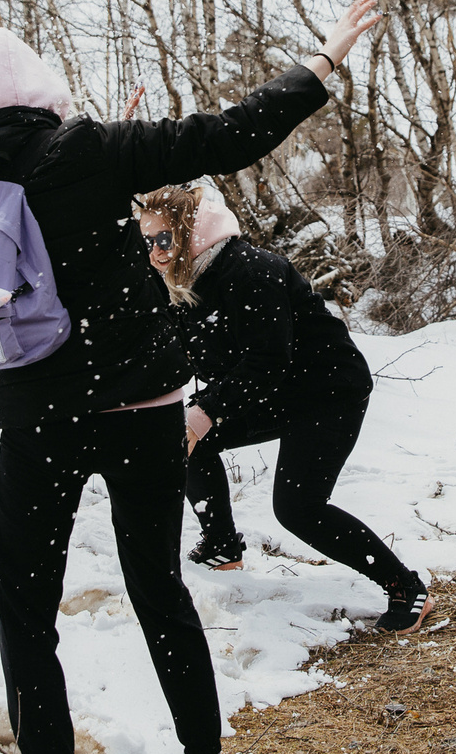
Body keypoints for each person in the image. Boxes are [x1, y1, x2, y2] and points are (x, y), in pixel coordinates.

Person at [0, 0, 381, 754]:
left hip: (41, 417)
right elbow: (231, 134)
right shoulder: (99, 149)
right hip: (145, 407)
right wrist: (324, 62)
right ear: (44, 88)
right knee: (158, 579)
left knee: (26, 613)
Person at [131, 182, 432, 633]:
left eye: (163, 239)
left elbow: (268, 360)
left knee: (298, 508)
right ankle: (221, 544)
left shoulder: (249, 271)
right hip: (269, 390)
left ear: (189, 233)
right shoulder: (177, 278)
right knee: (184, 439)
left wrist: (204, 410)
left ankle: (405, 586)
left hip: (325, 390)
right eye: (147, 241)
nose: (154, 251)